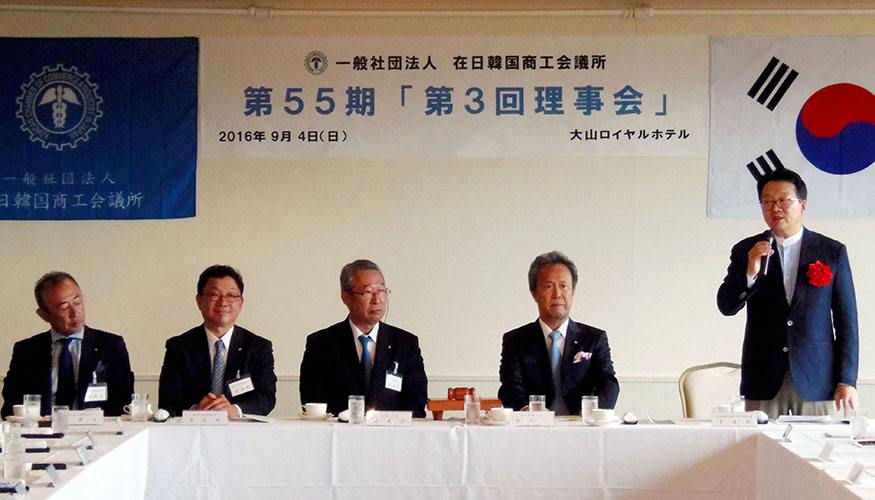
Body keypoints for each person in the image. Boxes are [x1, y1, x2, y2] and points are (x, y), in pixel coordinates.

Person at [717, 169, 858, 419]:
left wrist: (847, 380)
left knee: (816, 444)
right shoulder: (746, 250)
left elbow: (847, 320)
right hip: (764, 377)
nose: (776, 208)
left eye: (784, 200)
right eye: (768, 202)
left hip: (816, 378)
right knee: (760, 443)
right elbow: (726, 305)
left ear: (802, 205)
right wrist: (750, 273)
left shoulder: (831, 251)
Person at [300, 259, 428, 418]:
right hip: (338, 430)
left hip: (392, 431)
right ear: (346, 297)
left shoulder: (405, 343)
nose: (377, 299)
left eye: (381, 291)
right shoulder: (321, 344)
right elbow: (313, 401)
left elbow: (416, 400)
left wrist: (383, 423)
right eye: (368, 292)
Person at [498, 251, 619, 415]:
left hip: (581, 424)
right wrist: (527, 411)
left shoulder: (594, 338)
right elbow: (510, 386)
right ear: (534, 293)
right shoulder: (515, 340)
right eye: (548, 287)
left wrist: (594, 412)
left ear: (573, 291)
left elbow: (608, 382)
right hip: (534, 425)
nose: (557, 294)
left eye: (564, 286)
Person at [1, 272, 134, 418]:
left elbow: (124, 402)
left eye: (78, 302)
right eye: (64, 307)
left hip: (96, 428)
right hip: (43, 429)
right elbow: (11, 405)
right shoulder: (27, 351)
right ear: (44, 315)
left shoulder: (110, 345)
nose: (75, 313)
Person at [158, 265, 277, 417]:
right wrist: (196, 410)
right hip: (192, 428)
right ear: (199, 301)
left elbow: (266, 397)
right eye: (214, 295)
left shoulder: (258, 347)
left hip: (240, 427)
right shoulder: (179, 347)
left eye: (231, 295)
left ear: (240, 302)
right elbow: (168, 400)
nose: (223, 302)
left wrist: (234, 410)